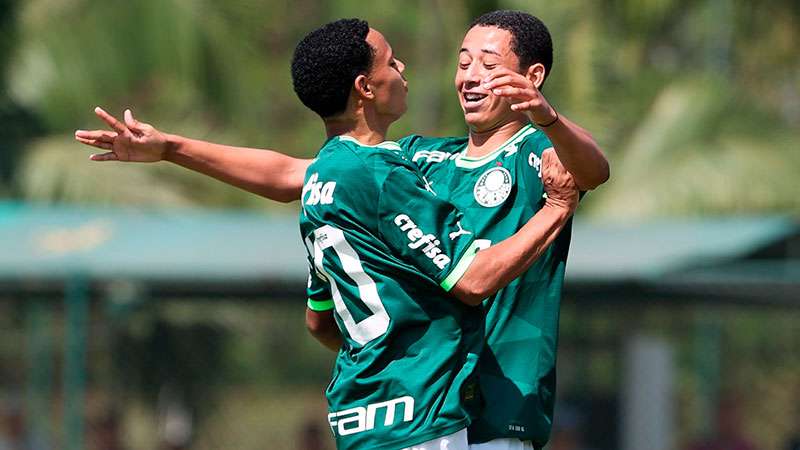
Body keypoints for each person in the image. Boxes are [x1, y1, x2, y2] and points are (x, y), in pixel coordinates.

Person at [75, 11, 608, 449]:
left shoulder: (539, 152)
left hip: (499, 397)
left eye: (487, 64)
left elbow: (593, 171)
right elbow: (289, 172)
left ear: (532, 78)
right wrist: (170, 148)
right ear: (364, 86)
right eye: (462, 62)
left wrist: (550, 121)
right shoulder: (414, 160)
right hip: (434, 408)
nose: (468, 76)